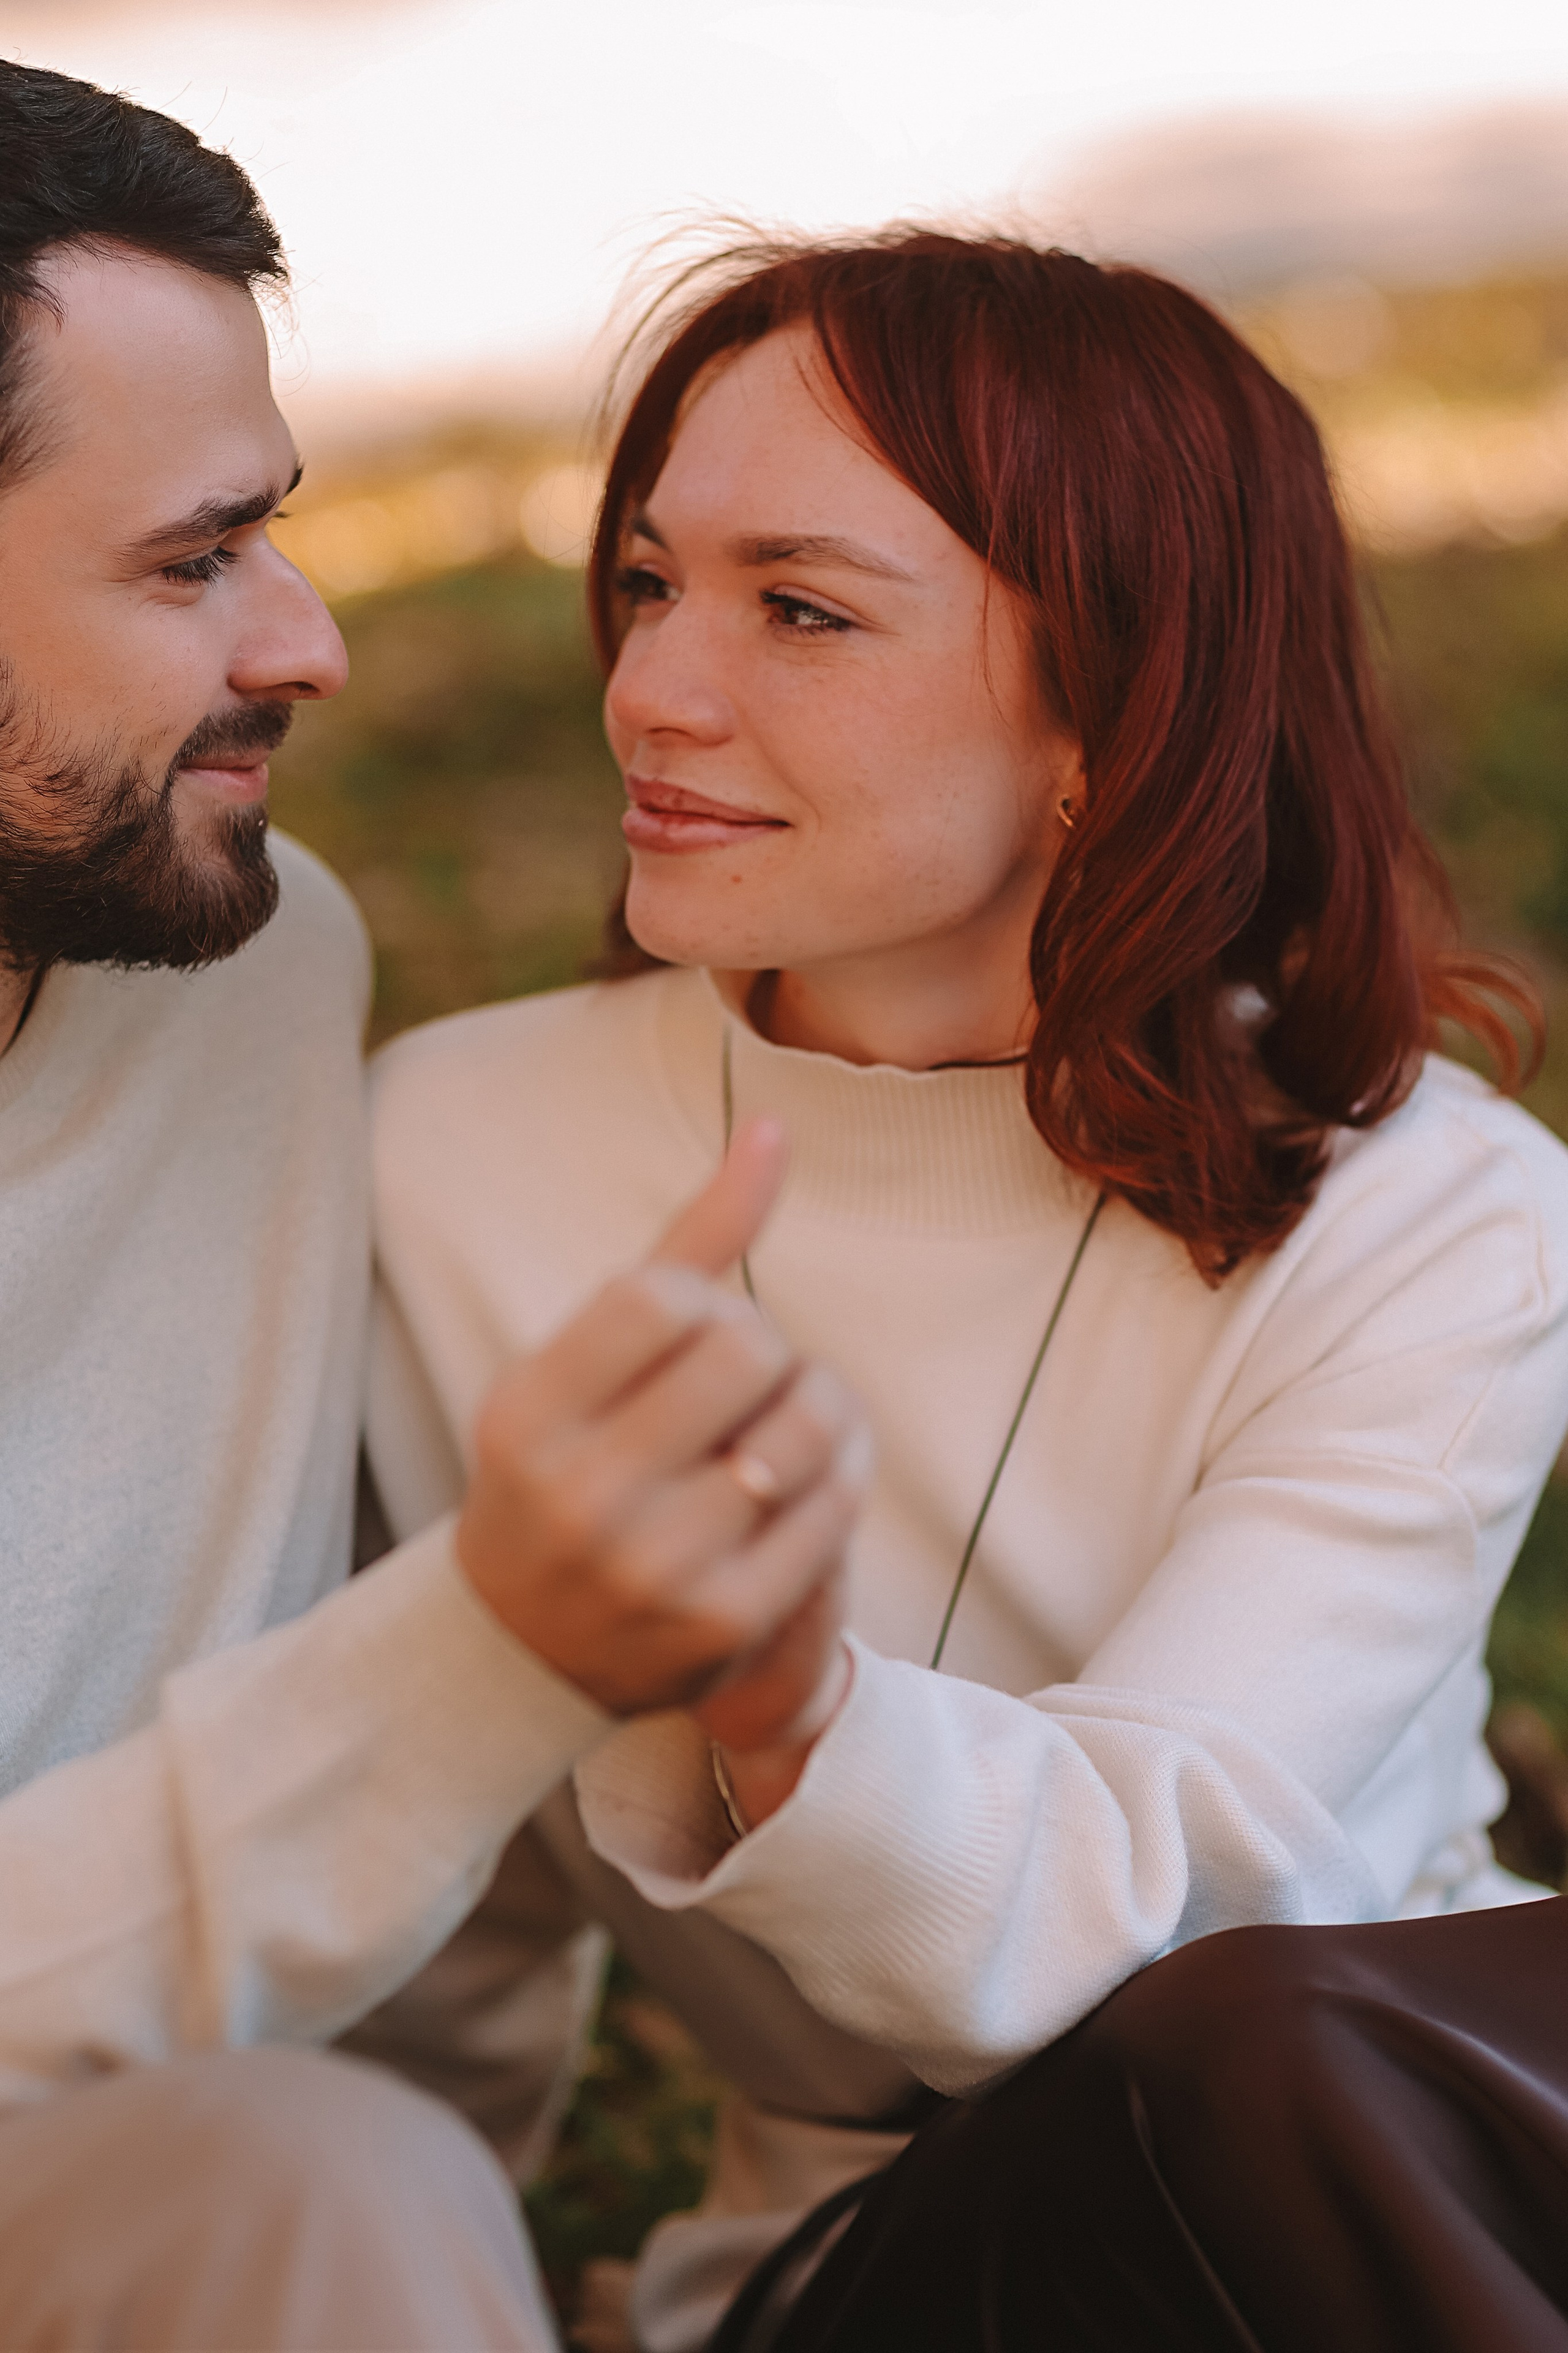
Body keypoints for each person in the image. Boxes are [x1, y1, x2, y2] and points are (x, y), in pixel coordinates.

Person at [364, 230, 1568, 2351]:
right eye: (652, 579)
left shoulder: (1437, 1216)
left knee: (1249, 2046)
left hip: (1439, 2181)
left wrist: (777, 1696)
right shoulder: (441, 1156)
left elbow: (1158, 1919)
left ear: (1109, 716)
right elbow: (402, 1878)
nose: (654, 683)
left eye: (801, 610)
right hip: (895, 2281)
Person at [0, 63, 862, 2352]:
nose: (307, 642)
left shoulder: (256, 980)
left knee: (325, 2178)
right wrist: (494, 1639)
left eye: (270, 530)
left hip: (121, 2195)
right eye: (193, 561)